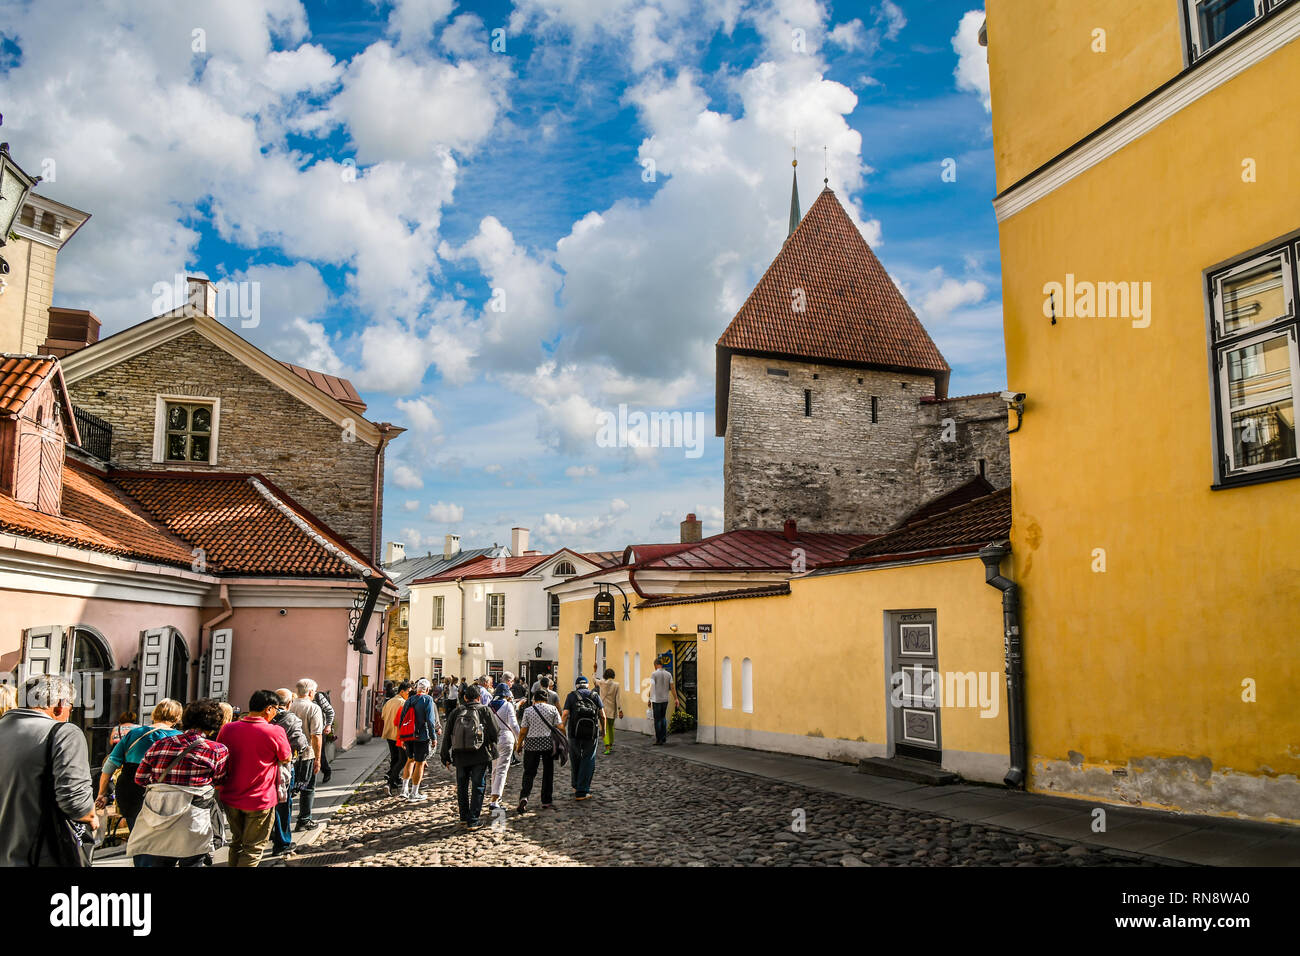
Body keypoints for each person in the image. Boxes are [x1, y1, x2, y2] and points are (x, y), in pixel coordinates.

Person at [0, 675, 97, 866]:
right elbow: (76, 803)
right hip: (37, 855)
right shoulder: (64, 733)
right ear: (60, 705)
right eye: (71, 705)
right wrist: (91, 817)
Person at [129, 698, 229, 867]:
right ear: (213, 725)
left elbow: (140, 778)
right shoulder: (217, 750)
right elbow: (219, 782)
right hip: (193, 817)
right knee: (192, 860)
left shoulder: (160, 744)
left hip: (160, 813)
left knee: (161, 859)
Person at [216, 689, 292, 867]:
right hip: (260, 797)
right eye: (276, 710)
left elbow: (219, 752)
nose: (276, 714)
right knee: (253, 848)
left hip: (231, 795)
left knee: (236, 842)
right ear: (269, 709)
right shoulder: (274, 731)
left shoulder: (228, 728)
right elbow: (286, 757)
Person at [95, 698, 183, 831]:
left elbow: (109, 765)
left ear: (155, 714)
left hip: (131, 789)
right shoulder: (180, 738)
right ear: (177, 718)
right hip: (164, 791)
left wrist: (102, 793)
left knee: (136, 832)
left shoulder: (134, 733)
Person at [440, 684, 499, 828]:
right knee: (478, 785)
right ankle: (473, 819)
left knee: (462, 786)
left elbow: (448, 735)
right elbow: (495, 732)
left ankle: (463, 816)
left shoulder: (456, 712)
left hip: (460, 755)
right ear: (479, 697)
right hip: (480, 754)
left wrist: (445, 756)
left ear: (465, 697)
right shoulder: (485, 710)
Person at [269, 689, 311, 858]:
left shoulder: (265, 716)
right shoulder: (290, 718)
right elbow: (300, 743)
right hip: (282, 767)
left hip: (262, 766)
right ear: (288, 704)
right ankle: (282, 842)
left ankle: (272, 833)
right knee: (283, 804)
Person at [514, 688, 563, 814]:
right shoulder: (552, 709)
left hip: (531, 744)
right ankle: (546, 800)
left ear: (534, 699)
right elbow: (560, 726)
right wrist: (563, 739)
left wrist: (519, 745)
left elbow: (523, 730)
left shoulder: (528, 710)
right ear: (546, 699)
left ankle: (524, 797)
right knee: (548, 772)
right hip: (547, 743)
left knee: (529, 772)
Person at [289, 679, 324, 830]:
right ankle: (304, 819)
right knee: (308, 787)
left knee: (288, 789)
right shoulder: (313, 708)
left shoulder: (288, 705)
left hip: (288, 753)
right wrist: (318, 758)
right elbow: (316, 735)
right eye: (314, 691)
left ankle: (281, 824)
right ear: (310, 692)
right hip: (307, 753)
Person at [561, 676, 604, 801]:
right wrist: (604, 731)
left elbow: (564, 714)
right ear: (587, 685)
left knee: (575, 758)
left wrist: (561, 730)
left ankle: (576, 785)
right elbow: (602, 715)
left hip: (574, 733)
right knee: (588, 759)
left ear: (576, 686)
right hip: (591, 734)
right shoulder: (594, 696)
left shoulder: (571, 696)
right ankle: (582, 790)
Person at [399, 678, 438, 801]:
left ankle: (404, 789)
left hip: (409, 735)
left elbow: (402, 719)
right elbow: (431, 721)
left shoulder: (410, 700)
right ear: (427, 689)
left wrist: (402, 737)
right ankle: (414, 792)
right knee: (420, 763)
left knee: (410, 760)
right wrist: (433, 737)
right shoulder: (428, 699)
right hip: (421, 736)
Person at [485, 682, 519, 811]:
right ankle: (495, 800)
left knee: (494, 769)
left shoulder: (489, 705)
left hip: (493, 739)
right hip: (505, 737)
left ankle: (495, 797)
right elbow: (514, 725)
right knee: (502, 770)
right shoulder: (508, 705)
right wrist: (520, 740)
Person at [381, 680, 411, 796]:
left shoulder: (389, 702)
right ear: (402, 691)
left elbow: (383, 715)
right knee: (400, 758)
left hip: (388, 733)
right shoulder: (403, 703)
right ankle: (391, 777)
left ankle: (394, 778)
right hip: (397, 734)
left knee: (394, 756)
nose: (408, 694)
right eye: (408, 692)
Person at [593, 668, 623, 755]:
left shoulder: (602, 682)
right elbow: (618, 699)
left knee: (604, 728)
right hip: (612, 709)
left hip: (603, 709)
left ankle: (607, 747)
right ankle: (610, 744)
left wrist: (595, 670)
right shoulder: (616, 685)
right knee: (611, 727)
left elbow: (594, 680)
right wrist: (620, 710)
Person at [648, 657, 677, 745]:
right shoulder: (668, 674)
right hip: (665, 699)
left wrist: (649, 699)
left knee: (657, 720)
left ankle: (658, 739)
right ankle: (664, 737)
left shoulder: (654, 674)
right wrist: (676, 698)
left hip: (656, 700)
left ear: (656, 665)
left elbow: (652, 687)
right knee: (663, 717)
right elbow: (672, 687)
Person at [314, 688, 336, 783]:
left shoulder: (318, 696)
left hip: (320, 729)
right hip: (307, 730)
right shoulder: (301, 698)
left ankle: (326, 771)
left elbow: (330, 711)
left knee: (319, 753)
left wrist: (328, 725)